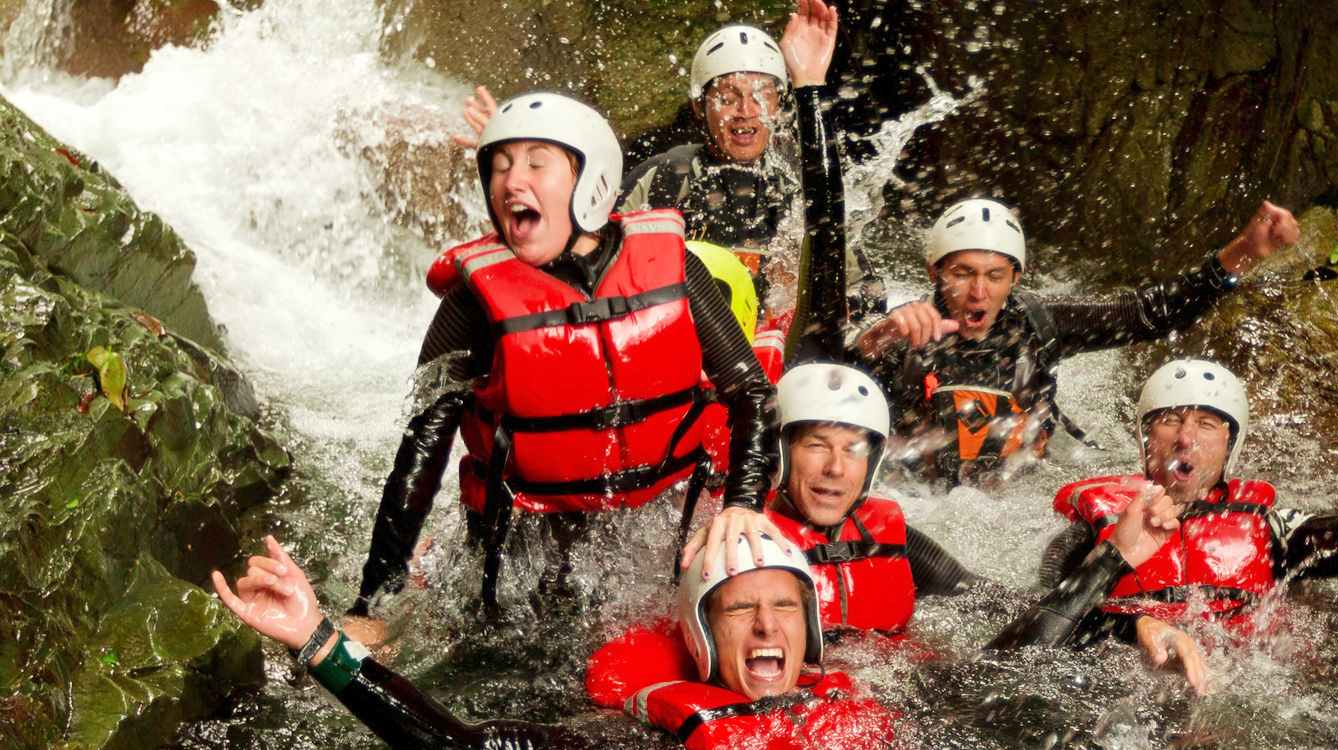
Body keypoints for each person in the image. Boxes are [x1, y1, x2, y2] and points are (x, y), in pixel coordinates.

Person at [345, 90, 782, 638]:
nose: (510, 181)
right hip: (519, 556)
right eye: (500, 166)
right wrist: (371, 605)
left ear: (590, 178)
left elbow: (753, 393)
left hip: (656, 531)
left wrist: (744, 506)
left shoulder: (675, 268)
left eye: (535, 162)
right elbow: (422, 451)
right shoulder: (472, 304)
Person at [995, 317, 1338, 684]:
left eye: (1207, 424)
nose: (1186, 439)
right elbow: (1039, 628)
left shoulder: (1271, 528)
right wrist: (1135, 626)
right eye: (1170, 421)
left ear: (1232, 446)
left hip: (1245, 690)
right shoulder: (1092, 533)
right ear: (1144, 438)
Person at [457, 0, 881, 376]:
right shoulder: (662, 177)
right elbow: (577, 244)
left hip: (781, 362)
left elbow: (858, 293)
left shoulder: (800, 189)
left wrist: (809, 79)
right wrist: (523, 164)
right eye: (728, 97)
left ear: (780, 103)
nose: (745, 112)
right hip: (679, 354)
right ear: (699, 105)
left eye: (761, 95)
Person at [214, 535, 894, 749]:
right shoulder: (644, 737)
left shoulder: (859, 711)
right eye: (743, 609)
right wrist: (317, 640)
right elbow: (461, 746)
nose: (769, 627)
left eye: (784, 609)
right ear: (703, 639)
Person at [851, 197, 1302, 486]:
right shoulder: (900, 334)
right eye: (962, 273)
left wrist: (1244, 251)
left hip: (1021, 497)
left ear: (1016, 278)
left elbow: (1148, 314)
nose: (978, 293)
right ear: (934, 273)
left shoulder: (1039, 325)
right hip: (923, 497)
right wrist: (869, 348)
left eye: (995, 276)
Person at [668, 362, 977, 639]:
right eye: (817, 445)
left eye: (853, 450)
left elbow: (980, 597)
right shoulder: (742, 545)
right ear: (781, 454)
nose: (836, 469)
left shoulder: (885, 533)